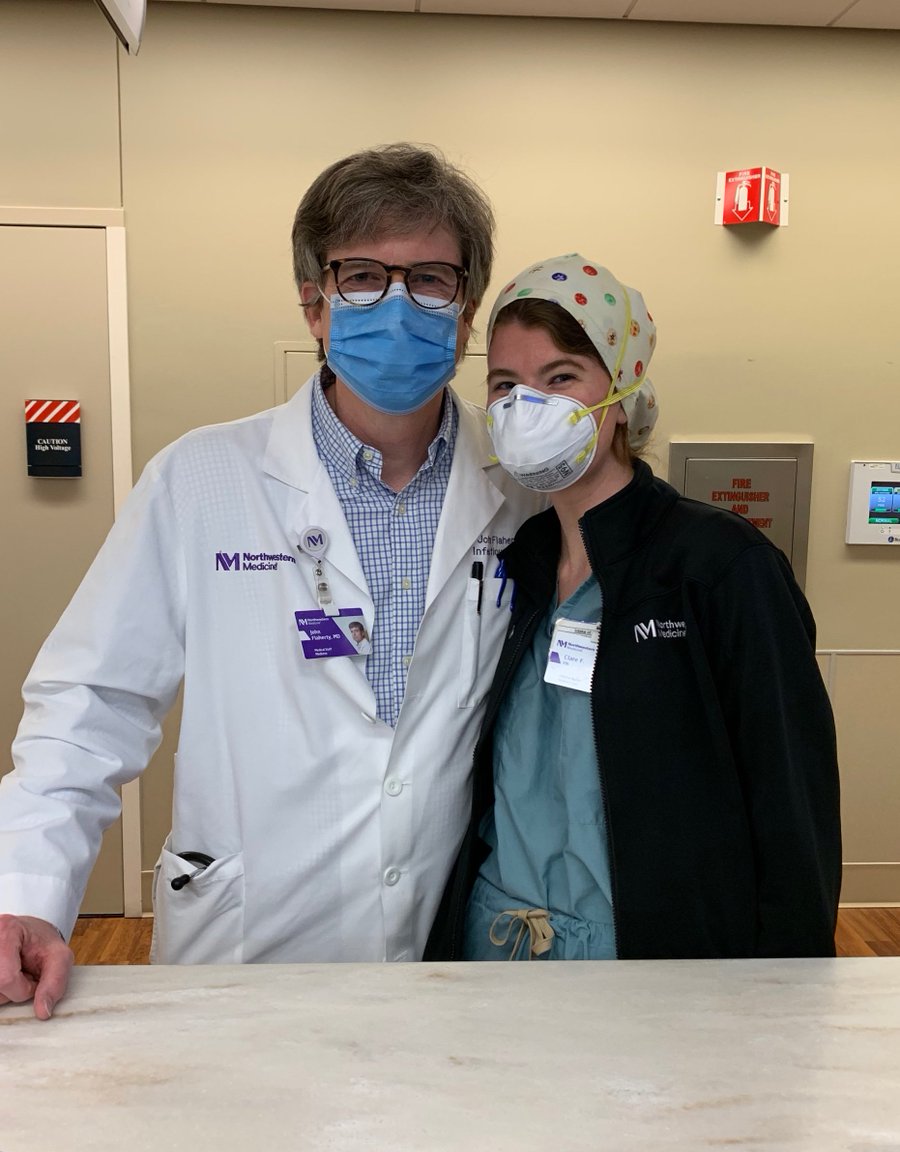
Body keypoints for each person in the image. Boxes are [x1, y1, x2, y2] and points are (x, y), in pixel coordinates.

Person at [0, 143, 541, 1018]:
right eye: (362, 275)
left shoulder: (521, 495)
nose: (397, 304)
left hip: (452, 956)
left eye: (431, 280)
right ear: (313, 303)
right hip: (245, 948)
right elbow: (89, 706)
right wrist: (23, 893)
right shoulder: (201, 478)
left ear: (468, 311)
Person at [425, 253, 841, 962]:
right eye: (505, 385)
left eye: (560, 378)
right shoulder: (518, 562)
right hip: (494, 946)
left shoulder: (717, 565)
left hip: (647, 959)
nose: (529, 407)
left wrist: (785, 995)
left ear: (620, 393)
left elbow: (791, 807)